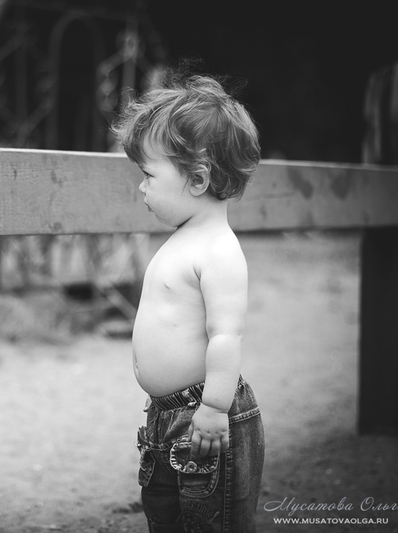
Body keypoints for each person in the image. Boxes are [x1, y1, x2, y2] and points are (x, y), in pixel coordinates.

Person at [112, 70, 265, 532]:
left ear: (197, 179)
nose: (141, 187)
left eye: (148, 175)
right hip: (166, 418)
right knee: (168, 515)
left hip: (203, 415)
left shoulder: (218, 251)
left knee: (209, 520)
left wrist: (215, 407)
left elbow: (226, 335)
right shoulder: (184, 238)